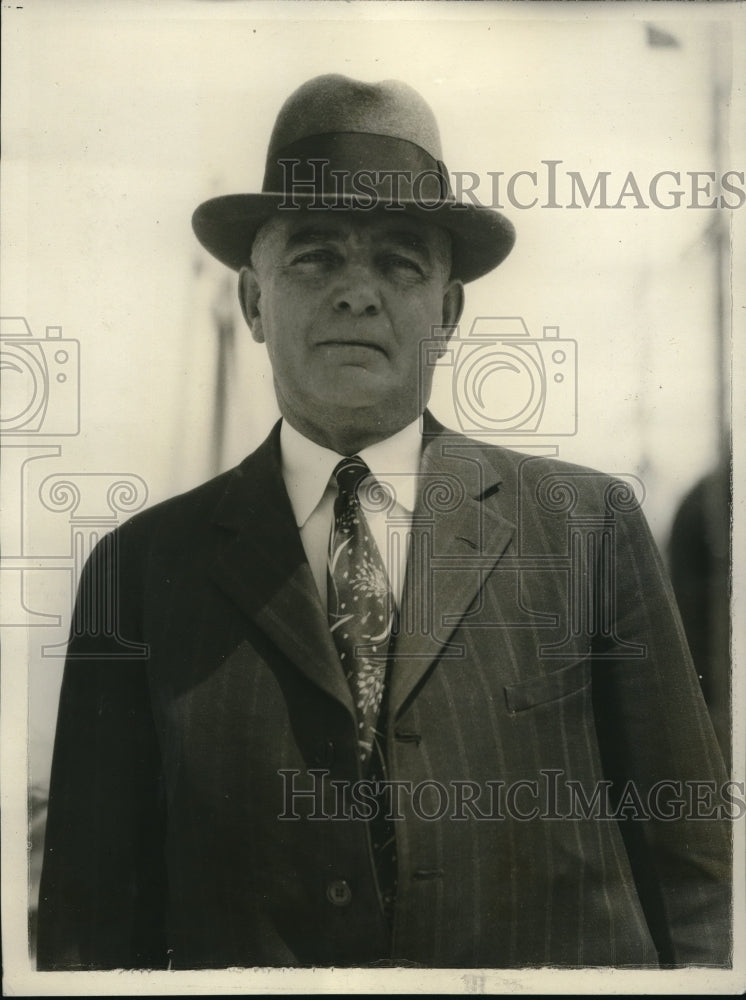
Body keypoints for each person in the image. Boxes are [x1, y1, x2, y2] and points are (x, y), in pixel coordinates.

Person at [37, 74, 731, 971]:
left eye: (401, 261)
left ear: (446, 311)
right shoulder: (137, 573)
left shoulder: (588, 531)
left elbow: (699, 884)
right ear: (254, 302)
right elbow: (88, 932)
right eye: (316, 256)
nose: (358, 292)